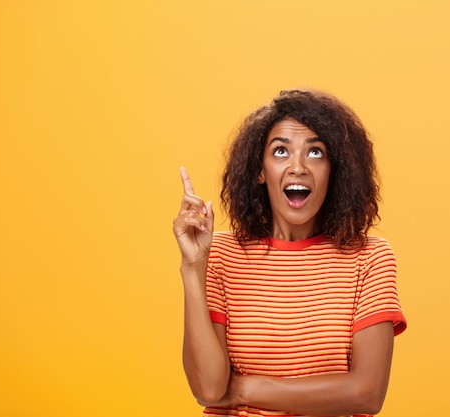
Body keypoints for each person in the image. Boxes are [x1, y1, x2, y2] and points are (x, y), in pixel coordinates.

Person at [173, 89, 406, 417]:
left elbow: (366, 393)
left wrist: (241, 388)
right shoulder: (221, 255)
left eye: (315, 153)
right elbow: (210, 388)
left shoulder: (369, 258)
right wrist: (193, 266)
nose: (298, 167)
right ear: (260, 170)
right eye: (280, 151)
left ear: (334, 169)